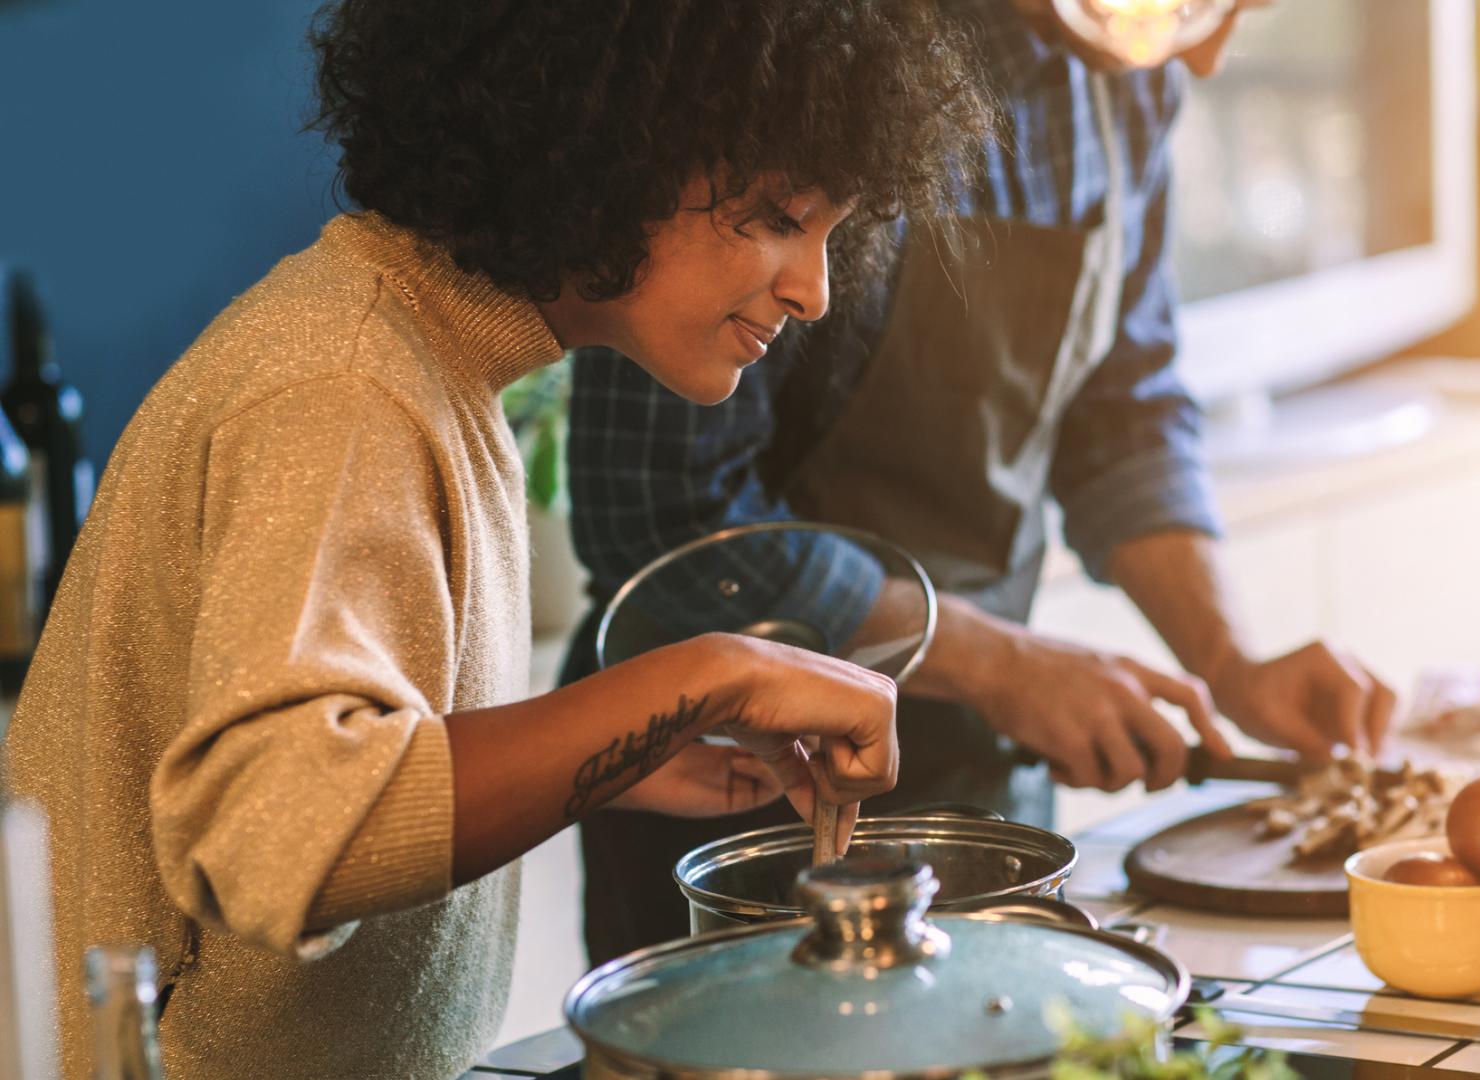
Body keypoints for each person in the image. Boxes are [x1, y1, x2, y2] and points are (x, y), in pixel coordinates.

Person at [0, 3, 991, 1077]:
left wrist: (607, 762)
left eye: (833, 233)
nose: (816, 290)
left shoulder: (426, 366)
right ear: (611, 147)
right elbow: (283, 825)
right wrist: (715, 674)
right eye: (775, 215)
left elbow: (366, 737)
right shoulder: (341, 384)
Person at [561, 0, 1398, 962]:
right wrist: (1000, 667)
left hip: (981, 788)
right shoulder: (788, 60)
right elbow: (667, 521)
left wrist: (1230, 660)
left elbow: (1122, 408)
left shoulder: (1130, 79)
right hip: (737, 808)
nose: (1202, 46)